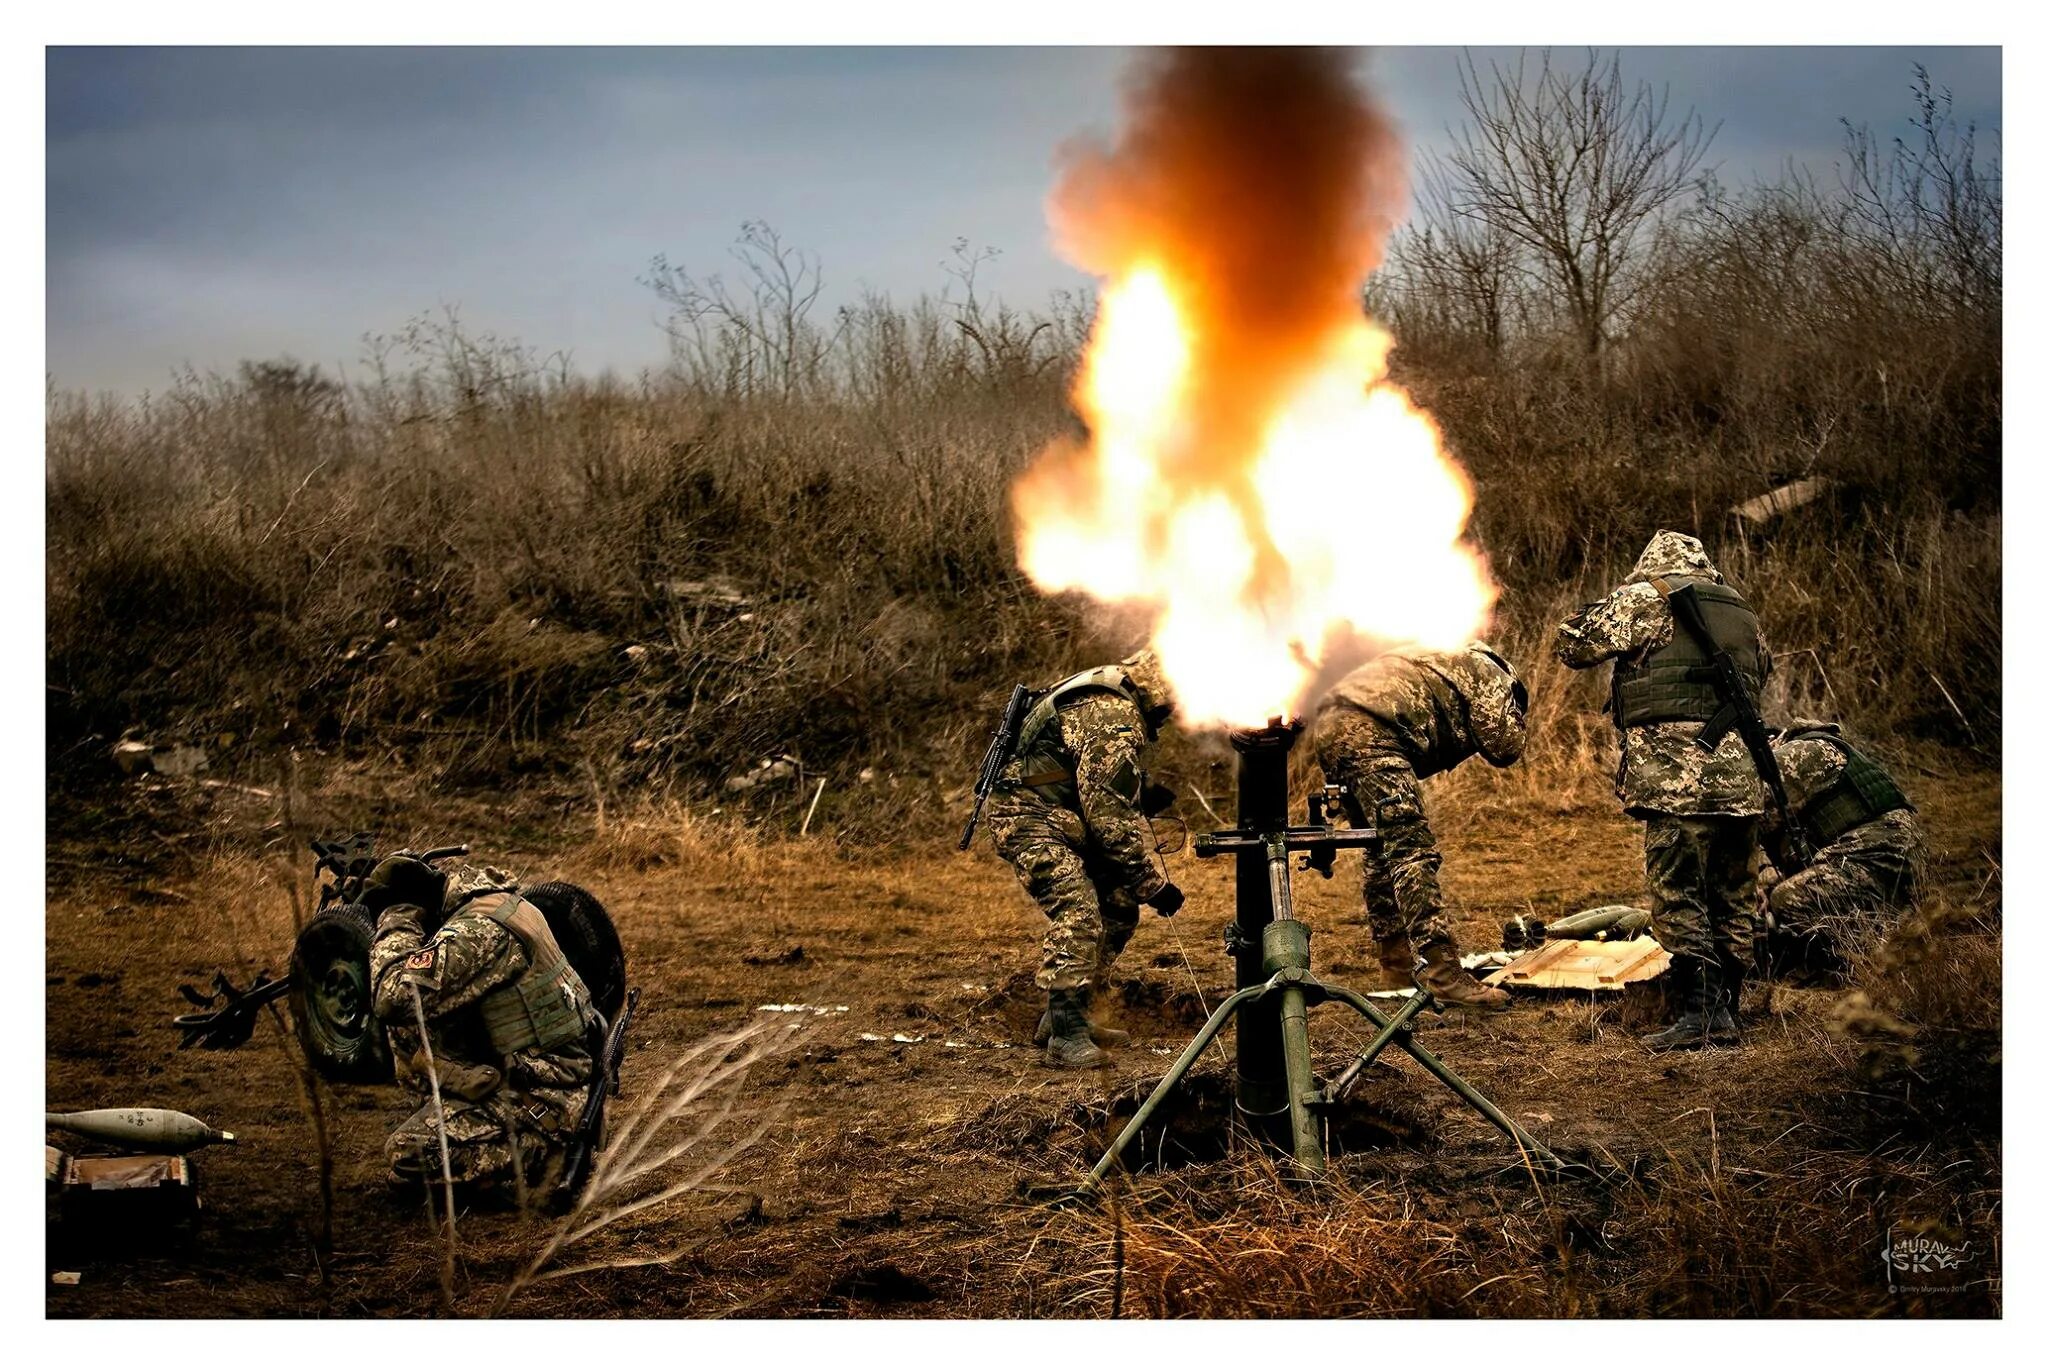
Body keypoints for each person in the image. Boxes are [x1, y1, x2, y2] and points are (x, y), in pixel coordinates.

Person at [1555, 530, 1771, 1050]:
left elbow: (1572, 643)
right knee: (1733, 895)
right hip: (1742, 780)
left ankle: (1698, 1014)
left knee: (1679, 893)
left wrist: (1602, 601)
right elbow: (1762, 671)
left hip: (1677, 780)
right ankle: (1729, 1010)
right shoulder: (1742, 611)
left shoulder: (1645, 597)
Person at [983, 649, 1184, 1069]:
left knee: (1119, 906)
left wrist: (1140, 792)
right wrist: (1151, 885)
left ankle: (1066, 1014)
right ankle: (1066, 1036)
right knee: (1079, 911)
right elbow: (1109, 824)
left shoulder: (1117, 691)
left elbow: (1084, 778)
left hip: (1059, 812)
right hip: (1027, 817)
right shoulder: (1112, 715)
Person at [1310, 642, 1529, 1009]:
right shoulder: (1493, 674)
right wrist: (1517, 718)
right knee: (1412, 851)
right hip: (1373, 733)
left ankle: (1396, 968)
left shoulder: (1442, 655)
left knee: (1381, 850)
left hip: (1333, 726)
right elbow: (1504, 746)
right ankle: (1444, 976)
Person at [365, 855, 601, 1194]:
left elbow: (391, 997)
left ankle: (539, 1153)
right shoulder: (497, 902)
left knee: (409, 1151)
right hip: (545, 1074)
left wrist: (395, 922)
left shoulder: (475, 933)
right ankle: (469, 1119)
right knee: (415, 1021)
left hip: (544, 1102)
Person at [1757, 720, 1926, 979]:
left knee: (1786, 899)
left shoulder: (1795, 755)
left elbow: (1739, 821)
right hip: (1883, 861)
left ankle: (1859, 960)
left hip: (1874, 860)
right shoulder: (1817, 745)